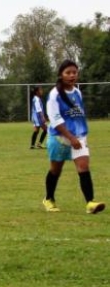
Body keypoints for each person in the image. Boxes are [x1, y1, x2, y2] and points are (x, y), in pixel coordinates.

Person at [42, 60, 104, 214]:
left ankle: (90, 203)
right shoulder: (54, 95)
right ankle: (49, 198)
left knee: (83, 167)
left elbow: (78, 114)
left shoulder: (77, 92)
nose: (72, 75)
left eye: (74, 72)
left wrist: (79, 135)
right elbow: (55, 120)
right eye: (68, 73)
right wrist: (71, 138)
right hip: (59, 138)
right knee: (55, 170)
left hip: (78, 137)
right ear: (61, 75)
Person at [30, 85, 49, 149]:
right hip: (38, 117)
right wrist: (43, 117)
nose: (42, 91)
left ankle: (33, 145)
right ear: (37, 92)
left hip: (35, 117)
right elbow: (39, 110)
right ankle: (39, 144)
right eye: (40, 90)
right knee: (46, 129)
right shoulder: (36, 99)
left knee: (37, 130)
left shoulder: (36, 98)